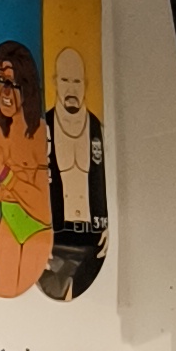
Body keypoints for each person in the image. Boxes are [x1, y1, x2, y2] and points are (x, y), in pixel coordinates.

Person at [0, 40, 52, 298]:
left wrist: (5, 175)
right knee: (3, 290)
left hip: (37, 228)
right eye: (1, 81)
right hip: (8, 224)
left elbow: (41, 206)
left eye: (13, 83)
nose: (6, 92)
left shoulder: (39, 132)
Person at [49, 41, 107, 265]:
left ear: (85, 84)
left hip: (94, 236)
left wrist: (107, 225)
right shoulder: (44, 126)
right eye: (65, 80)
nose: (71, 89)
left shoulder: (98, 129)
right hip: (54, 235)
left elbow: (107, 179)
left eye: (77, 81)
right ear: (55, 82)